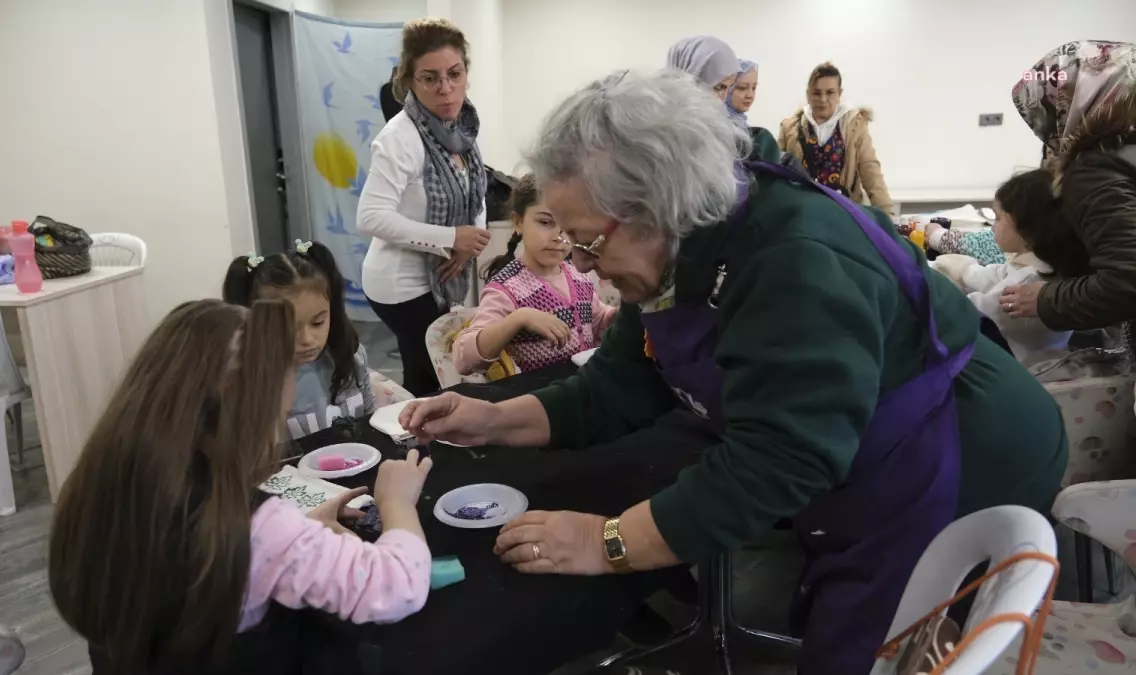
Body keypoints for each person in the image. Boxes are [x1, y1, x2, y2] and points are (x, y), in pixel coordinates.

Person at [399, 70, 1066, 674]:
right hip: (856, 443)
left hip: (961, 449)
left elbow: (776, 460)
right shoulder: (673, 257)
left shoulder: (794, 260)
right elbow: (615, 386)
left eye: (587, 240)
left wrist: (606, 542)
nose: (578, 262)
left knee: (869, 648)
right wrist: (492, 416)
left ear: (657, 207)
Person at [47, 299, 434, 675]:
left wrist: (301, 530)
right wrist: (395, 502)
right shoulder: (256, 529)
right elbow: (398, 586)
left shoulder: (103, 486)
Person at [357, 17, 491, 396]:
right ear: (410, 81)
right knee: (442, 377)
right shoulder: (399, 137)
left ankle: (413, 442)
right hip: (400, 284)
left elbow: (475, 195)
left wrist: (469, 245)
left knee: (421, 375)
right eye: (430, 78)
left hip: (442, 274)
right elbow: (370, 217)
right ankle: (435, 445)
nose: (446, 90)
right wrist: (451, 238)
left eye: (455, 74)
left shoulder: (462, 127)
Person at [1000, 40, 1136, 332]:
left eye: (1044, 112)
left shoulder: (1097, 168)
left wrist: (1045, 299)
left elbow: (1126, 283)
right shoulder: (1123, 150)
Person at [453, 174, 618, 376]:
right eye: (545, 222)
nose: (558, 237)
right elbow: (464, 359)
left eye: (567, 228)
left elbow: (598, 320)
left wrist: (621, 313)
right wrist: (518, 319)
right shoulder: (506, 289)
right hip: (539, 399)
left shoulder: (579, 275)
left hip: (583, 390)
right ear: (518, 222)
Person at [222, 240, 381, 440]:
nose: (307, 340)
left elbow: (371, 424)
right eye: (288, 328)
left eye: (318, 323)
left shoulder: (351, 356)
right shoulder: (245, 382)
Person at [931, 169, 1071, 368]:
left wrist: (928, 282)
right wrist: (961, 270)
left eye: (997, 218)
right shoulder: (1040, 266)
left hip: (1021, 371)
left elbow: (966, 310)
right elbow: (991, 276)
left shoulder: (1025, 285)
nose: (993, 227)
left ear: (1025, 228)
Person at [778, 61, 892, 211]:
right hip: (801, 214)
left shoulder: (855, 127)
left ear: (839, 94)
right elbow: (776, 175)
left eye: (830, 92)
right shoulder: (790, 128)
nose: (823, 99)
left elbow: (871, 173)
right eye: (816, 93)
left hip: (843, 214)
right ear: (808, 94)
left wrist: (887, 218)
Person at [664, 36, 774, 157]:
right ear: (692, 75)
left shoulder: (718, 128)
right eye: (719, 87)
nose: (723, 99)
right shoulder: (658, 131)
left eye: (728, 87)